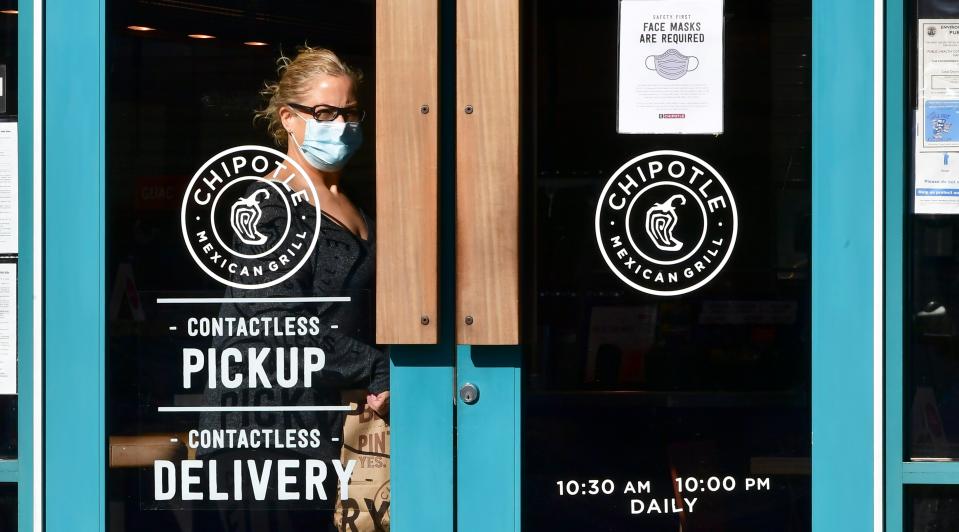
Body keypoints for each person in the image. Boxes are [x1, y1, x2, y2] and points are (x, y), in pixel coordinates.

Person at [194, 46, 389, 532]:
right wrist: (379, 367)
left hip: (332, 423)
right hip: (270, 436)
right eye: (325, 112)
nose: (341, 124)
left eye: (349, 111)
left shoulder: (349, 202)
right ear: (289, 118)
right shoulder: (271, 209)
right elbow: (277, 327)